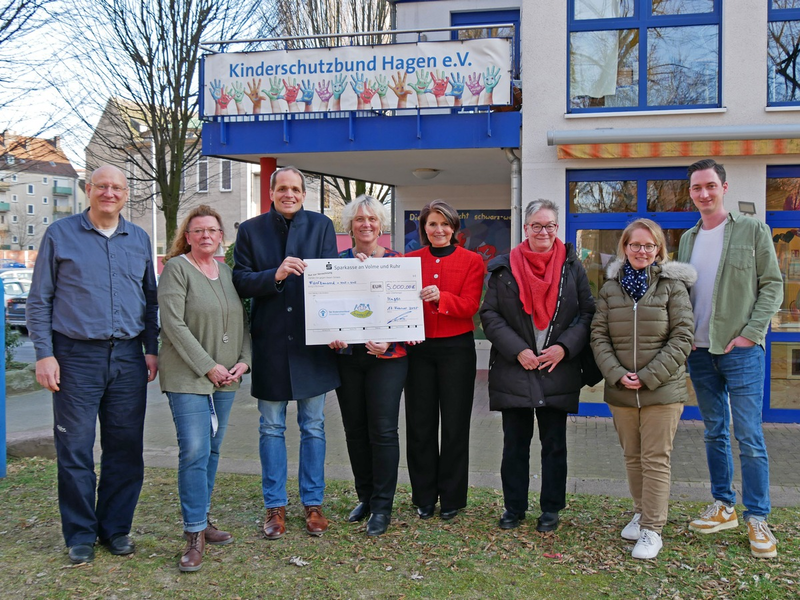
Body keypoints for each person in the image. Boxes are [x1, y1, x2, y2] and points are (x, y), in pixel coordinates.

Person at [26, 164, 158, 564]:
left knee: (125, 449)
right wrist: (44, 354)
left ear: (126, 193)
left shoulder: (138, 239)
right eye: (102, 186)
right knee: (76, 448)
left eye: (117, 187)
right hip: (75, 358)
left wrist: (151, 349)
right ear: (88, 189)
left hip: (127, 358)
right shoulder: (60, 235)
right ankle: (80, 534)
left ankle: (115, 528)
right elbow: (39, 300)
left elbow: (151, 301)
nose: (110, 192)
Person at [678, 159, 783, 559]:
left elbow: (772, 284)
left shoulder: (753, 230)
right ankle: (724, 505)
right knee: (713, 432)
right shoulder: (687, 238)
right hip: (700, 352)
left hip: (740, 351)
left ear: (723, 186)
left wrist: (751, 334)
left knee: (750, 437)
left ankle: (758, 516)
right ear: (691, 193)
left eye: (709, 186)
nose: (703, 193)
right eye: (696, 188)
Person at [232, 166, 340, 540]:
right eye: (283, 189)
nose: (289, 194)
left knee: (313, 426)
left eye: (296, 189)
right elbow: (240, 280)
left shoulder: (322, 226)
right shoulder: (249, 230)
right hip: (272, 344)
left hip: (312, 344)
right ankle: (274, 506)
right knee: (271, 427)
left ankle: (313, 504)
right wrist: (274, 276)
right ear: (272, 192)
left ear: (303, 194)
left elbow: (333, 274)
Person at [480, 199, 595, 533]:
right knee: (514, 444)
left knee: (554, 444)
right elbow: (489, 314)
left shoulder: (573, 266)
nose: (543, 232)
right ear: (526, 227)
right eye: (536, 225)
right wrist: (518, 351)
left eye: (550, 226)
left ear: (557, 228)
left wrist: (564, 347)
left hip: (556, 367)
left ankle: (551, 509)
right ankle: (514, 508)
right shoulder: (503, 268)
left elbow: (587, 312)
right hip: (516, 367)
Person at [591, 218, 695, 559]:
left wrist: (648, 375)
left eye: (649, 245)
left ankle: (653, 529)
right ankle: (640, 513)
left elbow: (682, 336)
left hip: (662, 389)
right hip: (621, 389)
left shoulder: (672, 287)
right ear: (624, 247)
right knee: (632, 457)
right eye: (635, 245)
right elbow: (599, 335)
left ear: (659, 250)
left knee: (655, 458)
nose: (642, 251)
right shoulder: (609, 288)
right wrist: (617, 373)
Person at [158, 206, 251, 571]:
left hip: (227, 378)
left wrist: (244, 361)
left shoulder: (227, 273)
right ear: (188, 235)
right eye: (198, 231)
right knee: (194, 450)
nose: (206, 236)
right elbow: (174, 325)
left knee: (212, 451)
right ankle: (194, 532)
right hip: (189, 377)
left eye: (212, 230)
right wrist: (207, 367)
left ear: (221, 236)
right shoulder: (177, 269)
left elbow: (245, 321)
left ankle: (203, 517)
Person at [329, 195, 407, 537]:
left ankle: (383, 506)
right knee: (355, 430)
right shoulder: (336, 264)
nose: (366, 224)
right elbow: (326, 310)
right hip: (349, 358)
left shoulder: (397, 262)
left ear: (381, 225)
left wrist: (390, 339)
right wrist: (331, 334)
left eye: (372, 219)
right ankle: (366, 497)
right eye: (359, 219)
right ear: (350, 226)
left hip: (386, 359)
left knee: (383, 430)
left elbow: (406, 313)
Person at [404, 200, 485, 520]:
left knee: (454, 426)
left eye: (445, 224)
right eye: (432, 224)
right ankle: (423, 496)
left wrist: (441, 297)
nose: (439, 230)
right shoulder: (410, 260)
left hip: (456, 350)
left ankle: (452, 498)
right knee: (420, 426)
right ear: (423, 228)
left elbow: (469, 306)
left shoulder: (472, 261)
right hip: (418, 349)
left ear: (454, 228)